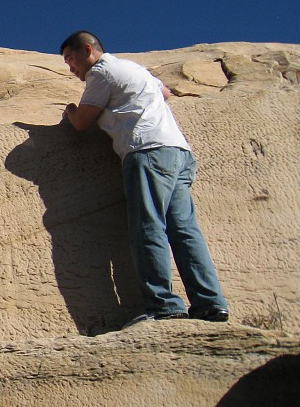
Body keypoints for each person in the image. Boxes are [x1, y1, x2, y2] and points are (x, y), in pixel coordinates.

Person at [60, 30, 229, 324]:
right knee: (184, 230)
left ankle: (163, 305)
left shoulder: (102, 72)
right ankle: (210, 303)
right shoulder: (134, 68)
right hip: (178, 151)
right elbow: (166, 94)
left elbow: (82, 122)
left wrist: (71, 110)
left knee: (147, 227)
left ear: (87, 50)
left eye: (70, 59)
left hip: (146, 150)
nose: (71, 68)